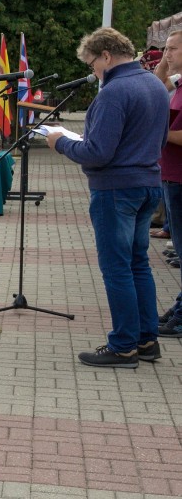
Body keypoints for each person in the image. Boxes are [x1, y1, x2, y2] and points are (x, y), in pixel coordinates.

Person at [46, 27, 168, 367]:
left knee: (117, 269)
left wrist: (61, 142)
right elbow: (156, 141)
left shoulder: (114, 92)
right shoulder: (155, 85)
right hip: (148, 183)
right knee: (138, 264)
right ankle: (146, 341)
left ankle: (124, 344)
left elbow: (97, 152)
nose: (92, 72)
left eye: (91, 64)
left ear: (106, 56)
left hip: (116, 189)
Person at [154, 28, 182, 338]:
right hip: (171, 176)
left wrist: (157, 132)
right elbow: (155, 86)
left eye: (173, 49)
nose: (167, 54)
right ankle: (179, 307)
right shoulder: (177, 84)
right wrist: (164, 63)